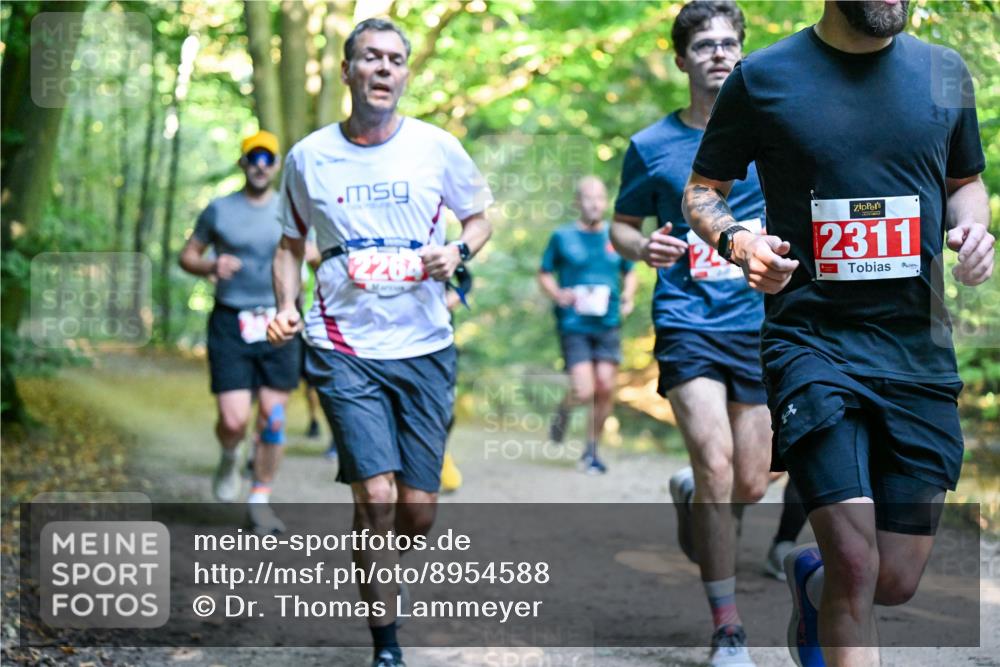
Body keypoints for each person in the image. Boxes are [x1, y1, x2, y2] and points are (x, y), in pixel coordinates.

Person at [681, 0, 993, 665]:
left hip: (917, 348)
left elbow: (965, 180)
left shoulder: (944, 72)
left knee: (895, 578)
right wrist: (739, 244)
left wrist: (974, 227)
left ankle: (810, 579)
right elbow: (703, 191)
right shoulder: (764, 76)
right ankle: (833, 579)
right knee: (855, 559)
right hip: (811, 341)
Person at [267, 18, 492, 667]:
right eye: (371, 57)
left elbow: (481, 215)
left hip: (424, 345)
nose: (385, 68)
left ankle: (383, 559)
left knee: (417, 510)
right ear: (348, 72)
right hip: (343, 345)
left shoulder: (436, 146)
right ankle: (385, 643)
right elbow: (289, 244)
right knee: (378, 497)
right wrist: (286, 304)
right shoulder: (309, 156)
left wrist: (457, 250)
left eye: (396, 58)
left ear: (405, 74)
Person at [611, 2, 769, 664]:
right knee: (717, 464)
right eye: (703, 44)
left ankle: (693, 496)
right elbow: (620, 225)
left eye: (729, 43)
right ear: (682, 59)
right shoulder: (651, 146)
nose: (718, 53)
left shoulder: (774, 133)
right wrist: (641, 245)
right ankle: (728, 628)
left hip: (761, 324)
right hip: (688, 321)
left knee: (752, 482)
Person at [178, 130, 298, 536]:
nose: (261, 165)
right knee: (233, 420)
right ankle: (230, 455)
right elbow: (188, 255)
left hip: (279, 323)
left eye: (268, 158)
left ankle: (260, 501)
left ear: (277, 164)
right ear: (243, 163)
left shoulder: (291, 209)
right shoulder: (219, 210)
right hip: (231, 321)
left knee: (273, 417)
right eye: (254, 157)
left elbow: (311, 253)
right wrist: (210, 266)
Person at [539, 176, 637, 474]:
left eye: (599, 198)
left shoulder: (616, 236)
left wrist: (629, 298)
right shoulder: (562, 237)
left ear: (605, 202)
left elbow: (629, 272)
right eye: (587, 198)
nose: (594, 203)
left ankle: (591, 451)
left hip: (608, 323)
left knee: (605, 386)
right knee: (584, 390)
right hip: (574, 324)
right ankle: (565, 410)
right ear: (576, 203)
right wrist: (558, 294)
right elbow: (544, 273)